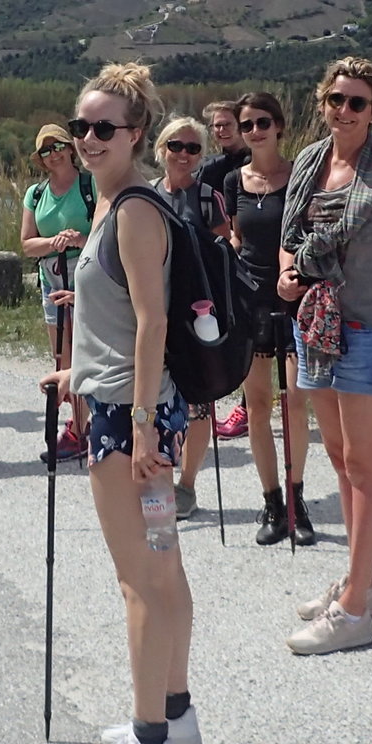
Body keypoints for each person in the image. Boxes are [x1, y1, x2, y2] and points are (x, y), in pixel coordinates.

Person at [46, 61, 197, 744]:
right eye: (81, 126)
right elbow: (115, 327)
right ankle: (173, 712)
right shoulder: (112, 205)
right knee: (162, 563)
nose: (88, 138)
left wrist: (137, 425)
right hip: (132, 407)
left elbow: (152, 321)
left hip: (128, 420)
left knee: (138, 577)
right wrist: (74, 373)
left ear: (136, 134)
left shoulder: (133, 210)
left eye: (104, 127)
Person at [278, 57, 372, 655]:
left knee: (366, 466)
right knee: (339, 459)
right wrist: (289, 273)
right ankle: (363, 581)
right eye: (336, 99)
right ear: (322, 103)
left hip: (369, 330)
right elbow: (291, 243)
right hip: (317, 327)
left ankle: (354, 608)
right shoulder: (310, 164)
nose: (344, 111)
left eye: (357, 103)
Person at [220, 90, 314, 545]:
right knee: (257, 406)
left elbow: (306, 236)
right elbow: (238, 238)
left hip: (292, 297)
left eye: (262, 122)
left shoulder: (299, 176)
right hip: (248, 300)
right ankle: (272, 502)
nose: (254, 131)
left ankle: (298, 501)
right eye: (247, 125)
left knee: (295, 402)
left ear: (278, 125)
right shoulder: (233, 182)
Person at [156, 114, 231, 520]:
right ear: (162, 149)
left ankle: (187, 486)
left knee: (200, 403)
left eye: (193, 148)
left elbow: (227, 249)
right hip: (153, 312)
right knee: (156, 397)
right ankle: (159, 481)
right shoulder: (145, 195)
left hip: (198, 314)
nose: (183, 155)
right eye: (176, 147)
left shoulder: (208, 197)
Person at [20, 122, 93, 461]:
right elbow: (26, 244)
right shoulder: (36, 194)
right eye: (46, 151)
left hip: (88, 276)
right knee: (62, 356)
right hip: (52, 278)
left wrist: (80, 239)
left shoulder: (90, 184)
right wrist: (52, 243)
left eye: (58, 146)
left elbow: (112, 230)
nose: (54, 154)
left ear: (70, 148)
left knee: (87, 353)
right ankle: (79, 422)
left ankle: (84, 427)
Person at [195, 99, 253, 440]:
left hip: (247, 255)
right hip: (216, 255)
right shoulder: (210, 167)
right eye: (216, 126)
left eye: (227, 124)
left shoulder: (253, 161)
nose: (221, 130)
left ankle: (247, 407)